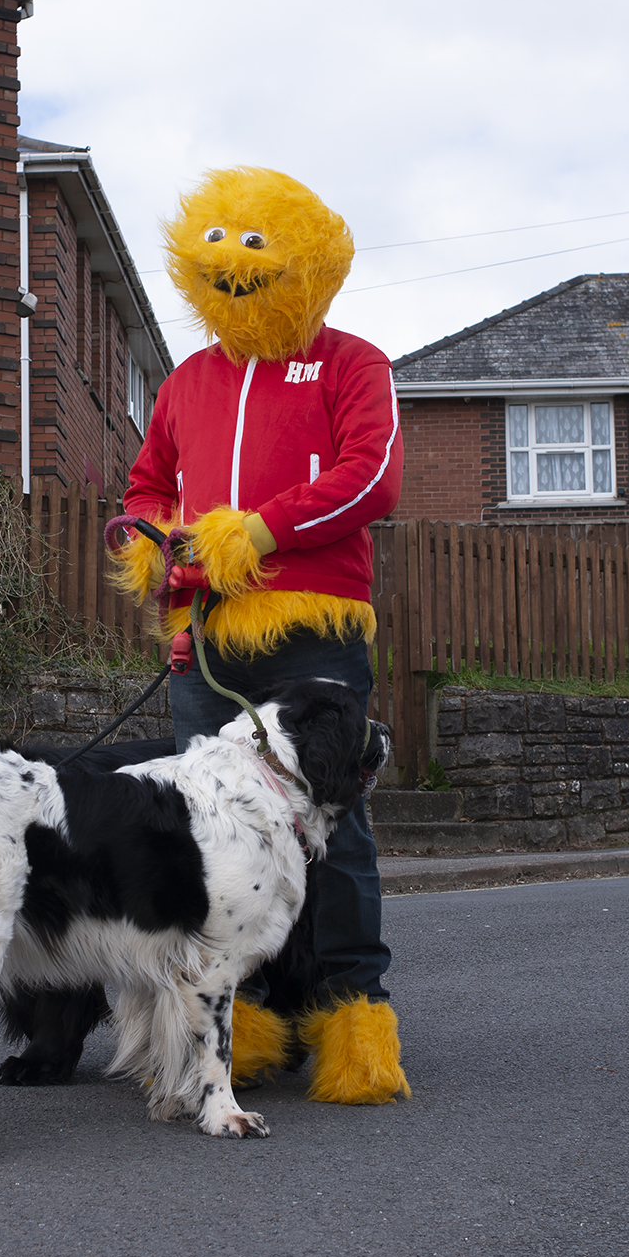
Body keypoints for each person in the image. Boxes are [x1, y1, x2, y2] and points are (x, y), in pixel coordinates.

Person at [117, 166, 408, 1105]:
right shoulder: (186, 381)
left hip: (316, 632)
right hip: (209, 640)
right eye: (218, 248)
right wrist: (151, 546)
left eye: (256, 248)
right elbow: (145, 490)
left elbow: (375, 479)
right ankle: (230, 1027)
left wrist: (263, 529)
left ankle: (352, 1018)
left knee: (338, 826)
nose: (232, 268)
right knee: (207, 831)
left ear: (305, 263)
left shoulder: (352, 363)